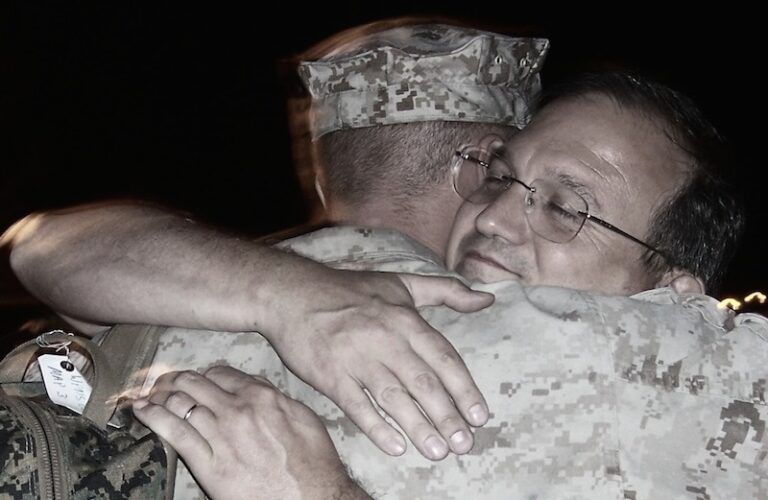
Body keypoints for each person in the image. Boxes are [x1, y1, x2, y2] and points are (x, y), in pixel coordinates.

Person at [6, 22, 765, 499]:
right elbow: (41, 245)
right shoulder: (350, 280)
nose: (500, 214)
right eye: (504, 176)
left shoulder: (674, 411)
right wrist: (290, 295)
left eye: (566, 208)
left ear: (674, 295)